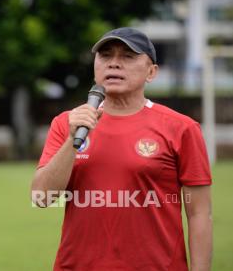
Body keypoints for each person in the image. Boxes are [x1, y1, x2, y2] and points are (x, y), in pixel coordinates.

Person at [31, 27, 212, 271]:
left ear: (152, 72)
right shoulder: (67, 123)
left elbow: (199, 214)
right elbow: (42, 198)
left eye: (128, 56)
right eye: (106, 56)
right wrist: (71, 142)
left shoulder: (182, 128)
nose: (114, 64)